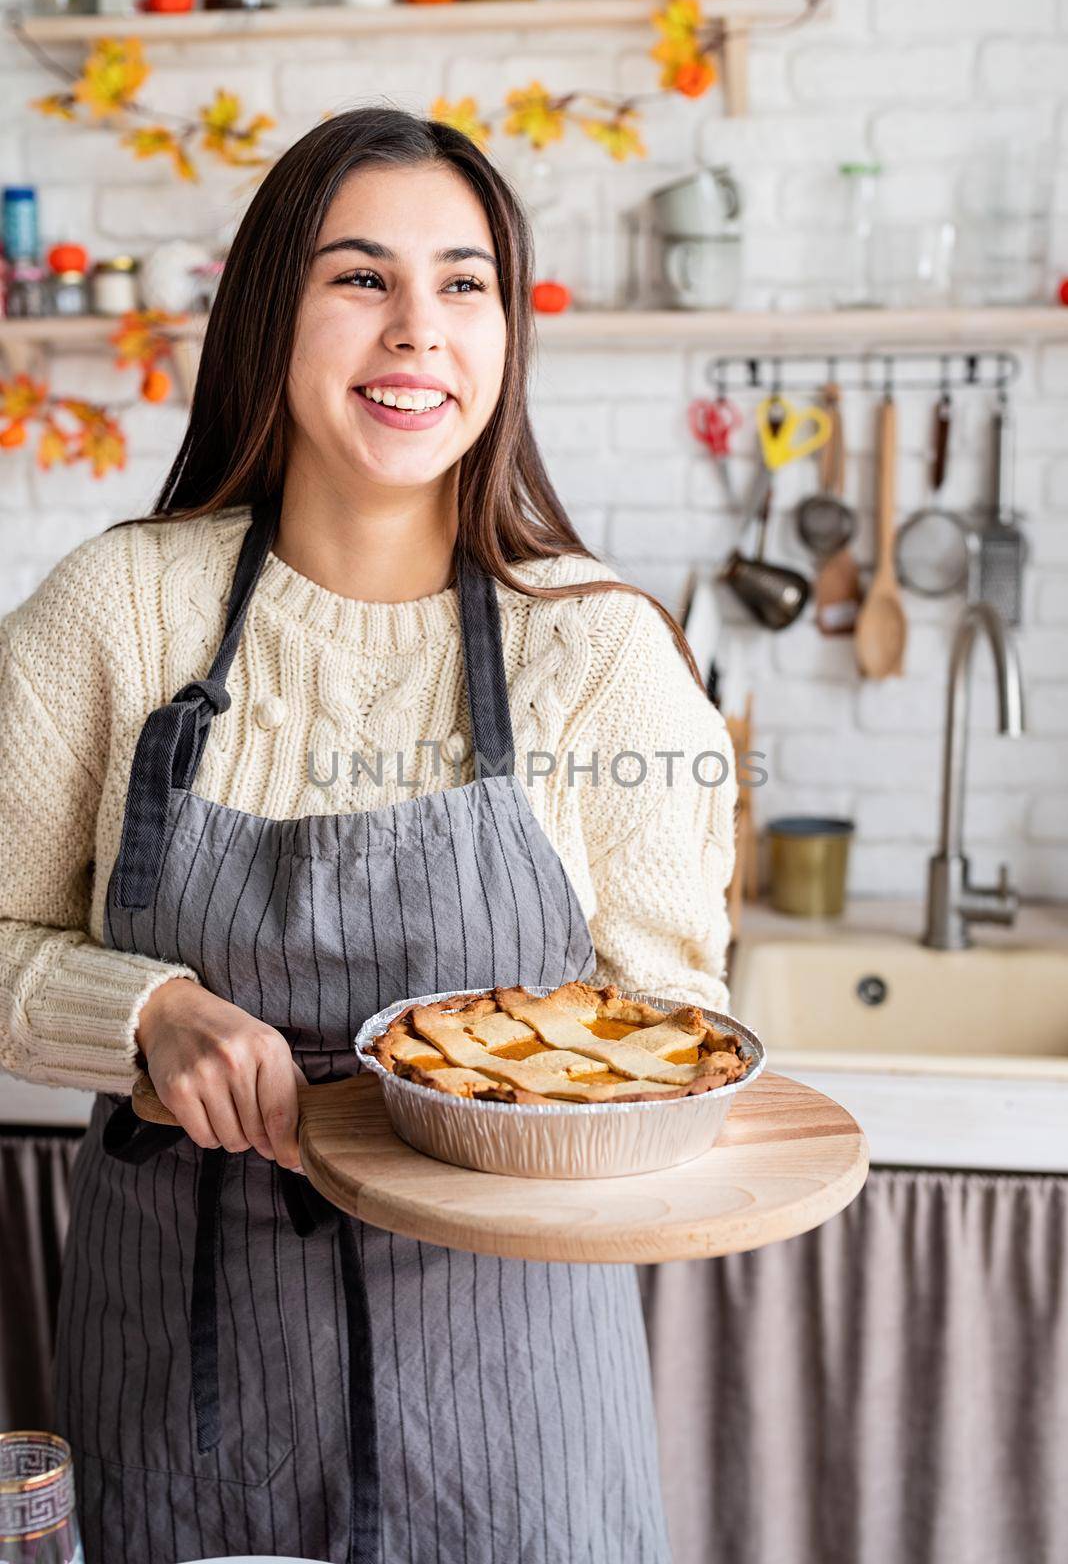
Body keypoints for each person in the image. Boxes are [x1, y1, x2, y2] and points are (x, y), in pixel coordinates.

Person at [0, 106, 738, 1563]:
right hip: (186, 1381)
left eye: (465, 284)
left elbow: (673, 1027)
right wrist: (142, 1012)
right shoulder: (116, 610)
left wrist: (509, 1117)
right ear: (272, 308)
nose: (419, 332)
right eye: (362, 278)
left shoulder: (602, 652)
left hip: (518, 1393)